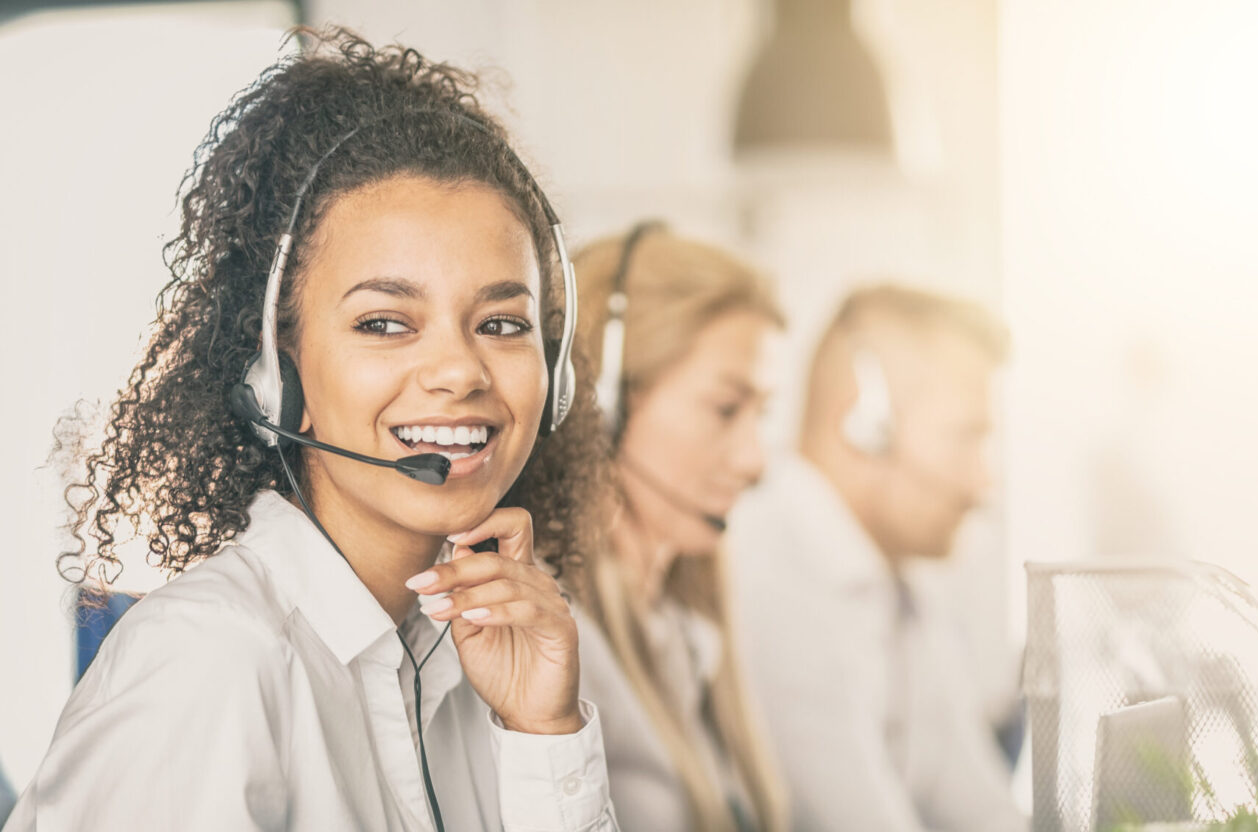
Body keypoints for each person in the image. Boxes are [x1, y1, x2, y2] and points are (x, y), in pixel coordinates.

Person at [6, 29, 618, 831]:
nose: (461, 372)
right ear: (276, 369)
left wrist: (545, 735)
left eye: (502, 324)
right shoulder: (210, 662)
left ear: (557, 371)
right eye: (385, 322)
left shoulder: (476, 665)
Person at [727, 285, 1026, 831]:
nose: (984, 483)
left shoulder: (901, 579)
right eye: (965, 438)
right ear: (864, 424)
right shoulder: (772, 575)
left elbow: (981, 809)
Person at [566, 224, 790, 832]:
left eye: (760, 414)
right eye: (724, 409)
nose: (755, 461)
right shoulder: (555, 647)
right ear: (601, 404)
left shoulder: (683, 629)